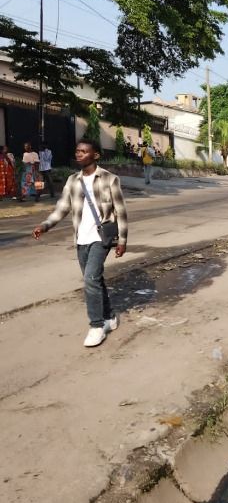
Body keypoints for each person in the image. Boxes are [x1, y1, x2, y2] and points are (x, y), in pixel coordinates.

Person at [32, 138, 128, 347]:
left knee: (90, 279)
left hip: (100, 238)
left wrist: (122, 240)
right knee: (95, 278)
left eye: (84, 151)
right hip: (81, 239)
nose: (79, 154)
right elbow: (62, 208)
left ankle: (96, 326)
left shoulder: (110, 179)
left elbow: (120, 211)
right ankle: (110, 315)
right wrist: (45, 225)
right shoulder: (72, 180)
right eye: (77, 151)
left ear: (95, 155)